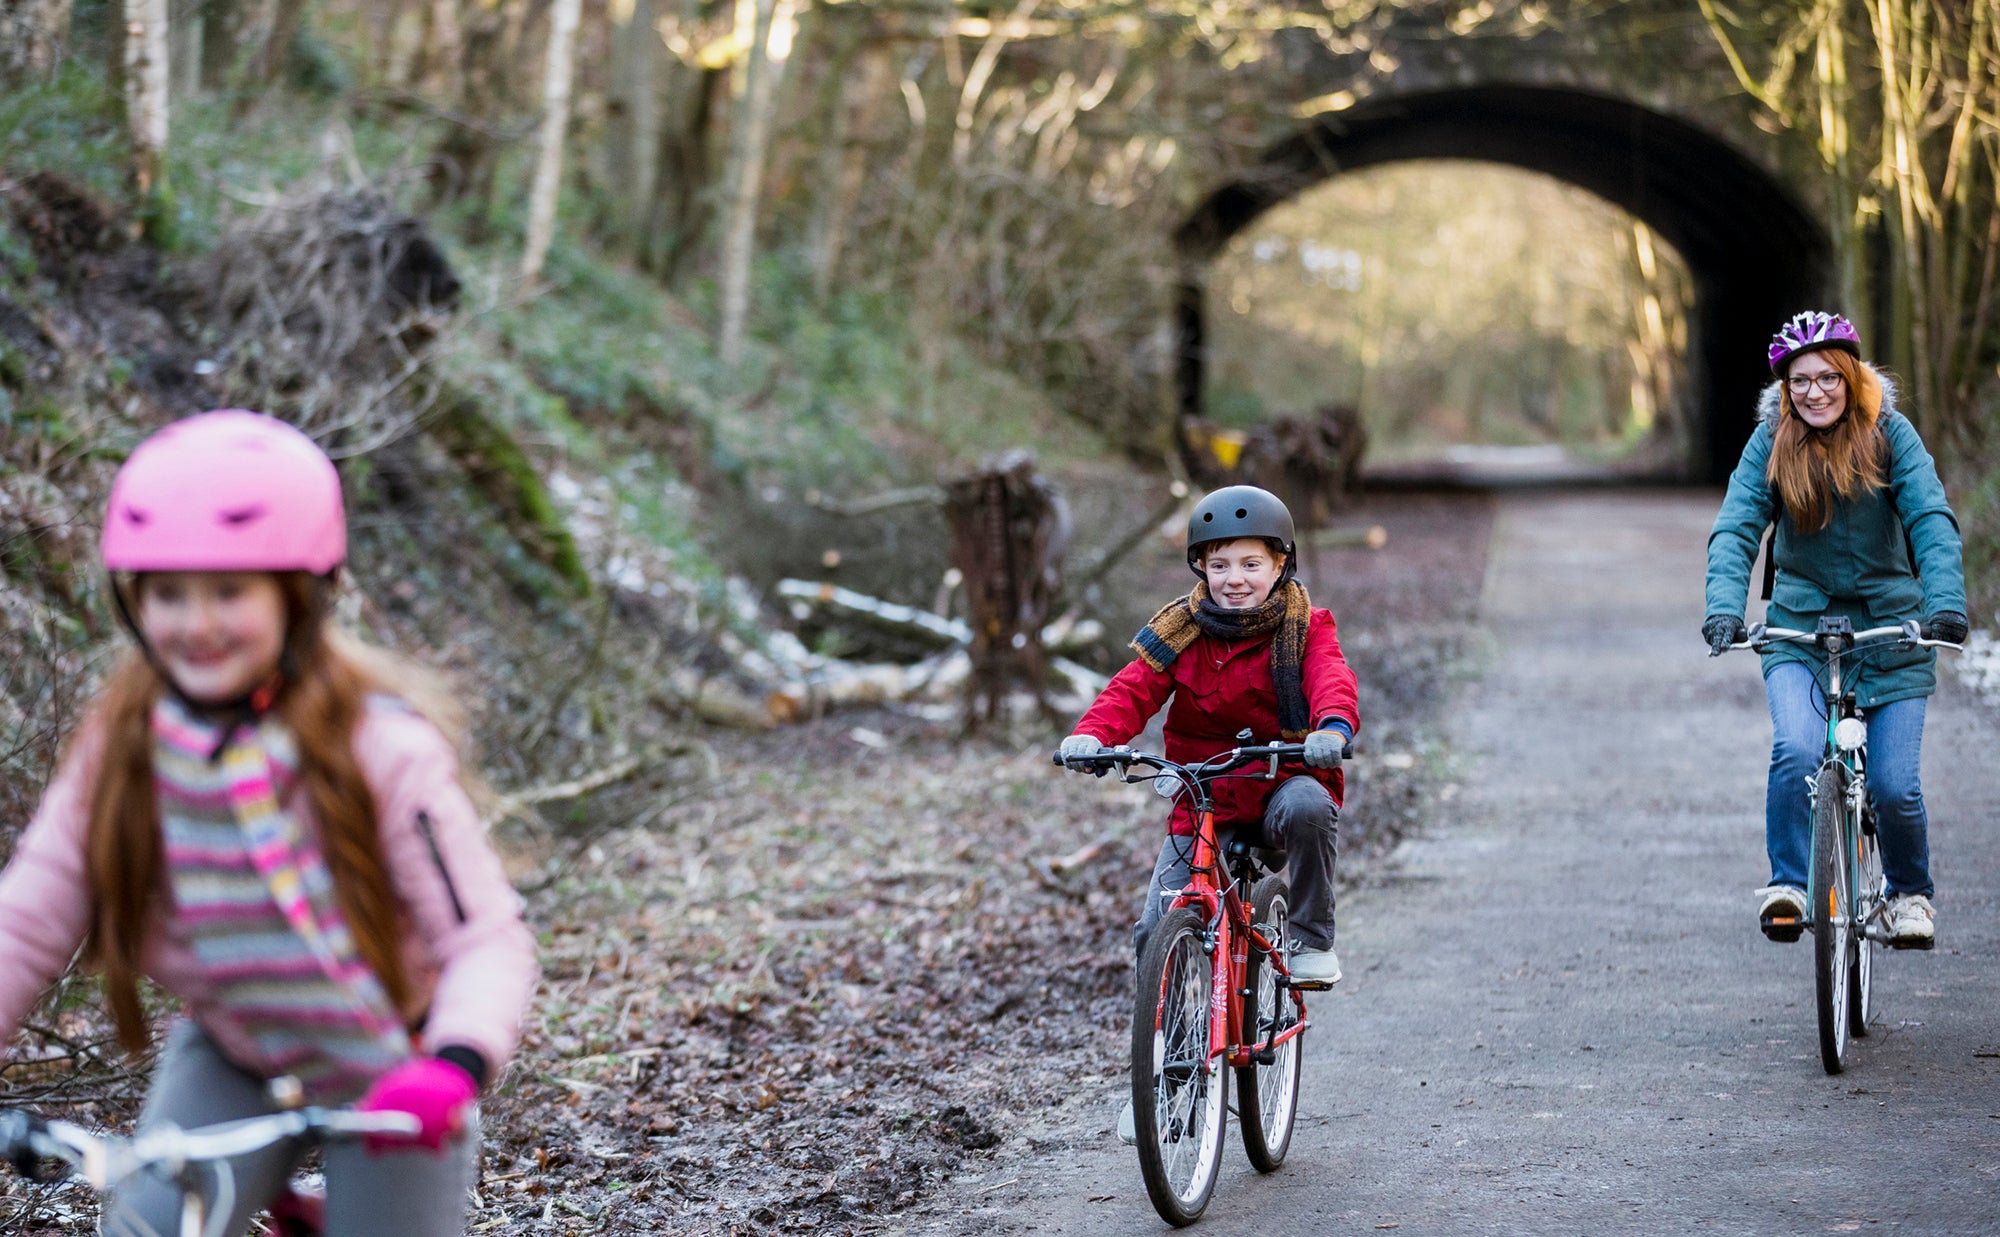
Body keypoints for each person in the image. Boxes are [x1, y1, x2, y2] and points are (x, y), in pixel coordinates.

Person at [0, 411, 539, 1235]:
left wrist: (455, 1064)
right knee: (142, 1227)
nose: (196, 623)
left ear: (298, 596)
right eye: (168, 593)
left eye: (229, 591)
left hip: (396, 1067)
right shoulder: (122, 747)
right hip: (237, 1049)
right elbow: (29, 915)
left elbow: (486, 938)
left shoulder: (380, 746)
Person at [1057, 485, 1358, 1141]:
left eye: (1251, 564)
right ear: (1201, 568)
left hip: (1283, 780)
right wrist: (1092, 734)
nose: (1235, 579)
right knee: (1154, 927)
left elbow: (1330, 676)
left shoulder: (1307, 627)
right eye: (1220, 565)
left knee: (1311, 807)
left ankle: (1311, 938)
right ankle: (1170, 1084)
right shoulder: (1179, 630)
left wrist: (1331, 725)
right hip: (1203, 796)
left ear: (1281, 564)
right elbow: (1131, 689)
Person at [1704, 312, 1967, 949]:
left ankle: (1908, 894)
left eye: (1827, 378)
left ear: (1850, 378)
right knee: (1796, 750)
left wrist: (1946, 605)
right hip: (1801, 631)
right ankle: (1790, 885)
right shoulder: (1770, 441)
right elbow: (1738, 526)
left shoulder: (1890, 434)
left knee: (1894, 787)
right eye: (1799, 381)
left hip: (1893, 631)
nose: (1814, 392)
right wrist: (1724, 608)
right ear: (1784, 388)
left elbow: (1930, 518)